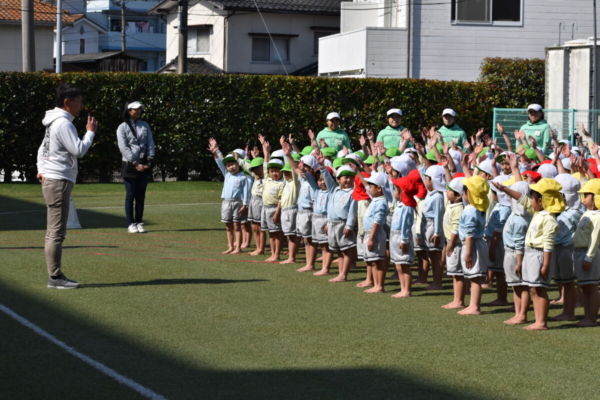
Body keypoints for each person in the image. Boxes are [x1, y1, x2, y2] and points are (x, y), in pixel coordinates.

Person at [36, 83, 98, 289]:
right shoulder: (63, 124)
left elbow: (42, 149)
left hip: (55, 179)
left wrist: (42, 169)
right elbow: (78, 150)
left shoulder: (54, 122)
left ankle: (55, 276)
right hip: (58, 181)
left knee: (53, 231)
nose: (81, 105)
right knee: (56, 232)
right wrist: (90, 132)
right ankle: (55, 277)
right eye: (78, 101)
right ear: (67, 103)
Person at [117, 101, 155, 234]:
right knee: (130, 195)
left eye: (139, 109)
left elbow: (150, 142)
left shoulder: (145, 125)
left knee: (141, 196)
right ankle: (130, 223)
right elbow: (123, 147)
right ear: (128, 111)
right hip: (130, 164)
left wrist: (149, 159)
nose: (138, 111)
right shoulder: (122, 127)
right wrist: (135, 163)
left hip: (144, 163)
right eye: (135, 109)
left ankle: (139, 222)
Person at [208, 139, 250, 255]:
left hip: (238, 203)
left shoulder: (243, 177)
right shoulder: (226, 174)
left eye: (233, 164)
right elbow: (219, 162)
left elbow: (246, 192)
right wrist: (215, 152)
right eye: (228, 165)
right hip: (226, 202)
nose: (231, 167)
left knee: (237, 226)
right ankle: (231, 247)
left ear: (238, 164)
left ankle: (238, 248)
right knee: (228, 226)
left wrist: (245, 205)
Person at [458, 175, 490, 315]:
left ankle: (475, 306)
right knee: (472, 277)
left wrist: (468, 253)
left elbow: (469, 233)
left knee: (475, 277)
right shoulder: (477, 207)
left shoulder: (471, 210)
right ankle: (472, 304)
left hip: (472, 245)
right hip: (475, 244)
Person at [573, 179, 600, 327]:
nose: (583, 199)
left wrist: (588, 258)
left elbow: (594, 239)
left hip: (589, 253)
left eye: (586, 196)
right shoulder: (588, 213)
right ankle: (587, 316)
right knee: (585, 286)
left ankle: (591, 318)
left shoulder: (598, 216)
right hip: (580, 252)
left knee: (591, 286)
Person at [389, 176, 417, 298]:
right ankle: (402, 288)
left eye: (395, 190)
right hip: (394, 235)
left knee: (405, 265)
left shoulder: (407, 207)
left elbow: (406, 225)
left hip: (402, 237)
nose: (393, 192)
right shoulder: (400, 204)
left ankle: (407, 290)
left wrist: (404, 240)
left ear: (403, 192)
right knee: (398, 264)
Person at [442, 177, 465, 309]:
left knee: (458, 273)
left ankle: (459, 301)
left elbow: (456, 228)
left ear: (458, 196)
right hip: (450, 242)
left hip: (455, 244)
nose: (446, 191)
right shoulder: (452, 205)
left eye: (450, 190)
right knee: (454, 273)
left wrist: (450, 244)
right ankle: (456, 299)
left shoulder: (458, 208)